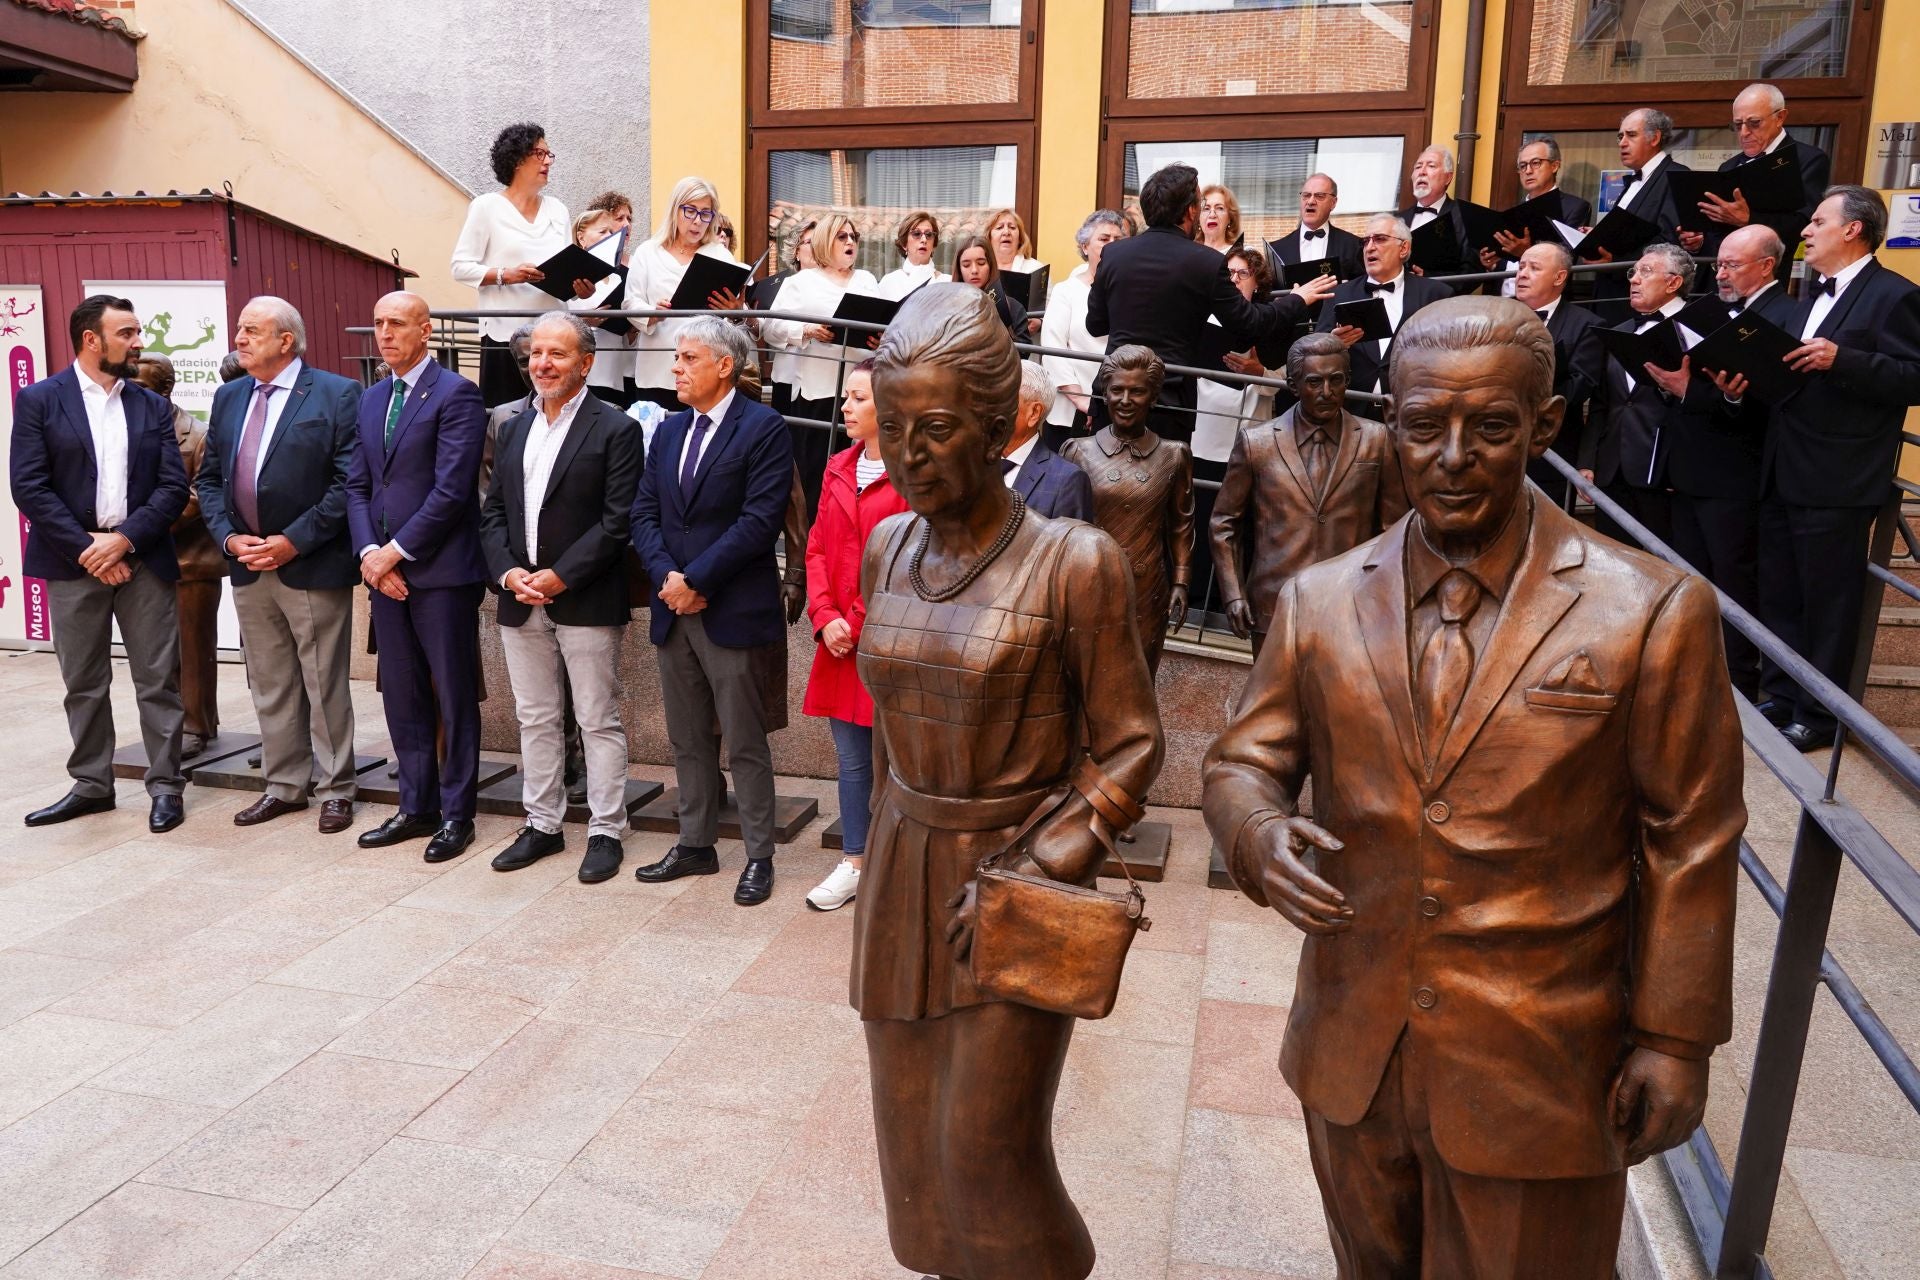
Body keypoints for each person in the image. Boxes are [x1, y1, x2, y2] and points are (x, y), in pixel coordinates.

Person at [1204, 295, 1744, 1278]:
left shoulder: (1649, 610)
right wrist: (1258, 833)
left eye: (1491, 426)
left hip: (1541, 1061)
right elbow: (1245, 760)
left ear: (1545, 424)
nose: (1452, 454)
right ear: (1391, 421)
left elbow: (1691, 835)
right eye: (1423, 425)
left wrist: (1676, 1036)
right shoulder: (1321, 601)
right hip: (1353, 1049)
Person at [854, 281, 1163, 1280]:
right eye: (893, 425)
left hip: (1014, 872)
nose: (909, 451)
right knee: (912, 1158)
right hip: (902, 865)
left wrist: (1047, 856)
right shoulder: (885, 546)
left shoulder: (1075, 561)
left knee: (988, 1152)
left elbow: (1131, 743)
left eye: (936, 428)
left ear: (999, 423)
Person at [630, 317, 794, 905]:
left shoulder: (763, 427)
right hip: (675, 609)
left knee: (745, 739)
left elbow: (759, 520)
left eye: (688, 358)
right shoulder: (670, 430)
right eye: (676, 358)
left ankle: (758, 855)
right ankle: (695, 843)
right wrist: (669, 580)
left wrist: (697, 579)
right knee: (688, 737)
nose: (676, 367)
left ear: (725, 365)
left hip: (731, 608)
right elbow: (644, 513)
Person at [1751, 186, 1920, 751]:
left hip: (1838, 473)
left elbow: (1912, 377)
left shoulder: (1895, 295)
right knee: (1780, 590)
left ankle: (1820, 716)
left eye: (1818, 221)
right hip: (1783, 462)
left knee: (1828, 602)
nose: (1805, 230)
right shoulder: (1806, 296)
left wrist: (1841, 358)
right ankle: (1779, 692)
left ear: (1853, 229)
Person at [15, 292, 190, 833]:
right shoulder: (41, 400)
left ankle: (165, 786)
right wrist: (90, 548)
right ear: (92, 340)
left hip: (142, 561)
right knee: (83, 681)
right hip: (73, 563)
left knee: (158, 679)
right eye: (128, 333)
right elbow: (29, 485)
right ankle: (92, 785)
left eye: (137, 332)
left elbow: (171, 486)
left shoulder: (152, 406)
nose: (139, 342)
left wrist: (125, 541)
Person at [480, 311, 642, 884]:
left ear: (586, 362)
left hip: (586, 597)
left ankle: (605, 830)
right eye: (535, 355)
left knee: (597, 717)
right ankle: (542, 824)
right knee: (536, 718)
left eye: (557, 354)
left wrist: (559, 576)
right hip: (519, 596)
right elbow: (494, 510)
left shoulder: (615, 428)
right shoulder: (513, 426)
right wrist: (507, 574)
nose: (542, 364)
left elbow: (617, 521)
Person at [199, 296, 364, 833]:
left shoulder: (338, 394)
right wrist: (229, 539)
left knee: (323, 683)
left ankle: (337, 786)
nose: (239, 339)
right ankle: (285, 785)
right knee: (270, 683)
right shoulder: (229, 397)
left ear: (286, 340)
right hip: (248, 564)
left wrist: (293, 540)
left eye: (251, 331)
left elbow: (347, 484)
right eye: (240, 330)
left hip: (309, 563)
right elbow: (210, 480)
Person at [347, 292, 490, 862]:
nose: (385, 333)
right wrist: (368, 554)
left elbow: (452, 490)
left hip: (441, 573)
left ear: (426, 331)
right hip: (383, 573)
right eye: (379, 323)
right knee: (402, 694)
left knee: (452, 695)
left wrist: (395, 553)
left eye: (397, 323)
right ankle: (415, 806)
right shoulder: (372, 397)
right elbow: (357, 485)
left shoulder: (457, 394)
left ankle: (457, 814)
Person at [1088, 163, 1326, 437]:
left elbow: (1096, 324)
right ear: (1190, 210)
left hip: (1114, 394)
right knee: (1165, 478)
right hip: (1169, 399)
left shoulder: (1115, 253)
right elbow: (1249, 324)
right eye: (1200, 203)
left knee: (1106, 476)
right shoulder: (1206, 262)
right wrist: (1296, 298)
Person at [1209, 331, 1408, 656]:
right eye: (1315, 382)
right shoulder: (1257, 442)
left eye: (1337, 381)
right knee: (1270, 706)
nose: (1327, 392)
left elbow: (1395, 529)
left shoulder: (1377, 440)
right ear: (1293, 385)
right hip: (1274, 603)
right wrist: (1233, 593)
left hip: (1349, 607)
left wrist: (1383, 598)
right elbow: (1223, 524)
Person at [1660, 224, 1788, 703]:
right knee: (1693, 581)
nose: (1722, 273)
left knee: (1734, 582)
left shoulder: (1785, 314)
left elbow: (1771, 397)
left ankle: (1737, 681)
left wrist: (1697, 392)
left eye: (1733, 265)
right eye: (1719, 264)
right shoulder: (1708, 313)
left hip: (1739, 474)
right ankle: (1697, 673)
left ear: (1766, 266)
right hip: (1695, 468)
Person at [801, 360, 909, 912]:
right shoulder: (838, 466)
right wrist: (824, 616)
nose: (845, 407)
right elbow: (817, 546)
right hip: (838, 639)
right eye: (846, 397)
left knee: (901, 760)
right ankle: (855, 860)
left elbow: (907, 559)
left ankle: (900, 865)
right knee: (851, 760)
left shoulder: (912, 473)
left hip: (888, 641)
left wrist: (857, 621)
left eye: (857, 398)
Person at [1061, 345, 1194, 674]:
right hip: (1085, 586)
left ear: (1153, 396)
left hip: (1147, 590)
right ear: (1104, 394)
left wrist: (1181, 581)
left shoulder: (1174, 456)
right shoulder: (1077, 451)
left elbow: (1181, 525)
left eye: (1137, 391)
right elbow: (1058, 528)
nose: (1125, 400)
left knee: (1137, 683)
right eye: (1116, 390)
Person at [1582, 243, 1705, 546]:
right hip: (1611, 471)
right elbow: (1602, 403)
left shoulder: (1699, 328)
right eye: (1633, 271)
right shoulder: (1619, 330)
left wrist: (1683, 470)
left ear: (1674, 282)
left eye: (1646, 272)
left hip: (1665, 473)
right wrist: (1587, 461)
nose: (1634, 279)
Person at [134, 355, 222, 760]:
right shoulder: (132, 428)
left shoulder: (198, 434)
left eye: (144, 388)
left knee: (194, 647)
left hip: (190, 561)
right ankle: (169, 723)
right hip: (147, 559)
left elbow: (200, 496)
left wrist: (143, 526)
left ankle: (196, 724)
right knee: (157, 650)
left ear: (166, 390)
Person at [761, 214, 880, 510]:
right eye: (842, 236)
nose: (850, 242)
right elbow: (771, 328)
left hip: (861, 393)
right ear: (826, 241)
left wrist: (880, 338)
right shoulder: (802, 282)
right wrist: (806, 330)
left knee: (856, 476)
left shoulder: (866, 280)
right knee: (815, 478)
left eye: (854, 237)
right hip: (817, 392)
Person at [450, 122, 572, 406]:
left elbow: (567, 268)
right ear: (517, 159)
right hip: (504, 337)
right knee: (505, 421)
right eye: (539, 154)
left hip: (554, 336)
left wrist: (580, 286)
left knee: (557, 416)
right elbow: (460, 267)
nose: (547, 161)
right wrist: (507, 275)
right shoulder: (486, 207)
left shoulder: (558, 210)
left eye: (548, 154)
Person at [1682, 83, 1831, 278]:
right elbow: (1719, 231)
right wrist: (1699, 241)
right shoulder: (1728, 167)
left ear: (1780, 117)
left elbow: (1804, 223)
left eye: (1754, 123)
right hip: (1722, 278)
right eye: (1737, 125)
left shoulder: (1807, 159)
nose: (1744, 133)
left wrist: (1749, 220)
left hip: (1771, 276)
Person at [627, 176, 739, 412]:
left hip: (705, 371)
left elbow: (736, 317)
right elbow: (630, 303)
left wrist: (733, 309)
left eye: (706, 214)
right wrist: (652, 313)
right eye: (690, 211)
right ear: (674, 210)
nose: (697, 221)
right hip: (657, 367)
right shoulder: (649, 251)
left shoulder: (720, 255)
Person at [1315, 214, 1453, 396]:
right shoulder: (1340, 293)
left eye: (1380, 239)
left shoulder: (1436, 294)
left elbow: (1447, 356)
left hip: (1412, 404)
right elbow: (1315, 352)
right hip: (1352, 406)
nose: (1370, 247)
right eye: (1365, 242)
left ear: (1404, 248)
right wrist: (1334, 344)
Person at [1512, 242, 1604, 508]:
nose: (1522, 274)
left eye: (1534, 268)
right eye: (1521, 267)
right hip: (1495, 450)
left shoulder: (1586, 324)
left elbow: (1579, 389)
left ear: (1560, 277)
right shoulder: (1493, 313)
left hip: (1549, 452)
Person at [1039, 210, 1128, 440]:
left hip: (1118, 410)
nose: (1111, 245)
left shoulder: (1132, 293)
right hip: (1069, 411)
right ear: (1085, 246)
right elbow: (1052, 349)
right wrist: (1082, 400)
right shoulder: (1065, 291)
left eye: (1118, 240)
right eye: (1104, 238)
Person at [1007, 362, 1094, 521]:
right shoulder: (971, 463)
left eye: (1000, 399)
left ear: (1034, 413)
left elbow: (1070, 545)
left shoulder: (1067, 481)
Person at [1487, 138, 1594, 265]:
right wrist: (1494, 263)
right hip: (1505, 284)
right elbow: (1507, 264)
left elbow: (1565, 259)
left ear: (1554, 166)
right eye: (1522, 166)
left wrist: (1526, 252)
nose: (1528, 171)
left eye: (1536, 163)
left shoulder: (1575, 207)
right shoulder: (1513, 212)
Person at [567, 207, 634, 410]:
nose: (609, 237)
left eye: (612, 234)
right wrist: (583, 322)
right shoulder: (568, 272)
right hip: (580, 370)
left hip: (614, 369)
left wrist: (633, 328)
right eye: (602, 232)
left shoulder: (619, 276)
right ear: (581, 237)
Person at [1397, 145, 1490, 277]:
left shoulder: (1465, 216)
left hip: (1444, 296)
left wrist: (1429, 278)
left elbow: (1472, 272)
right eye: (1418, 167)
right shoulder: (1398, 220)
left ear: (1448, 177)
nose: (1422, 172)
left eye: (1431, 166)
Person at [760, 219, 818, 420]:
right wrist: (805, 331)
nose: (818, 247)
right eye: (811, 242)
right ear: (796, 251)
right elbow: (770, 329)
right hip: (789, 376)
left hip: (824, 381)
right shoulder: (786, 285)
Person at [1268, 172, 1365, 283]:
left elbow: (1361, 289)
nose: (1310, 201)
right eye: (1306, 195)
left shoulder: (1354, 245)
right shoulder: (1276, 250)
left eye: (1319, 196)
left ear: (1333, 203)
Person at [952, 235, 1029, 336]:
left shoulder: (1013, 308)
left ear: (991, 265)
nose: (974, 270)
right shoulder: (948, 307)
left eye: (981, 263)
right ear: (959, 270)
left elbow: (1024, 350)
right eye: (966, 265)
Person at [879, 210, 942, 300]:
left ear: (933, 245)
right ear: (904, 244)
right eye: (916, 234)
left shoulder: (946, 281)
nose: (924, 239)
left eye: (929, 235)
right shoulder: (889, 282)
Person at [984, 206, 1042, 274]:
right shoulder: (981, 270)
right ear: (989, 238)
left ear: (1020, 238)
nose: (1006, 232)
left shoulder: (1036, 269)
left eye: (1012, 227)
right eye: (999, 228)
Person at [1196, 184, 1241, 254]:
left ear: (1230, 217)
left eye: (1220, 208)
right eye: (1206, 209)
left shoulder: (1242, 254)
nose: (1212, 215)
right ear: (1197, 218)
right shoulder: (1188, 253)